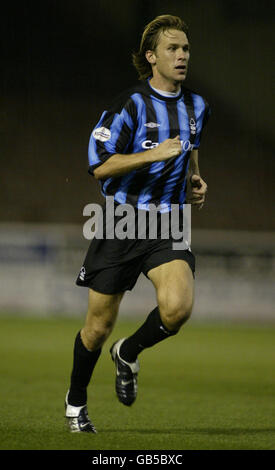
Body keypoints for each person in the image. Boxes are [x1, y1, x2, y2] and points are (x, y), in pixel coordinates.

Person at [65, 14, 210, 433]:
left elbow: (189, 150)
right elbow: (99, 166)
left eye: (185, 48)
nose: (182, 55)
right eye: (172, 49)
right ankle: (76, 402)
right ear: (152, 57)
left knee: (178, 307)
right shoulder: (129, 105)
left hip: (168, 222)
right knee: (97, 327)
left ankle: (128, 350)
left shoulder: (197, 105)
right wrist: (151, 154)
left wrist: (195, 179)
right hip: (121, 222)